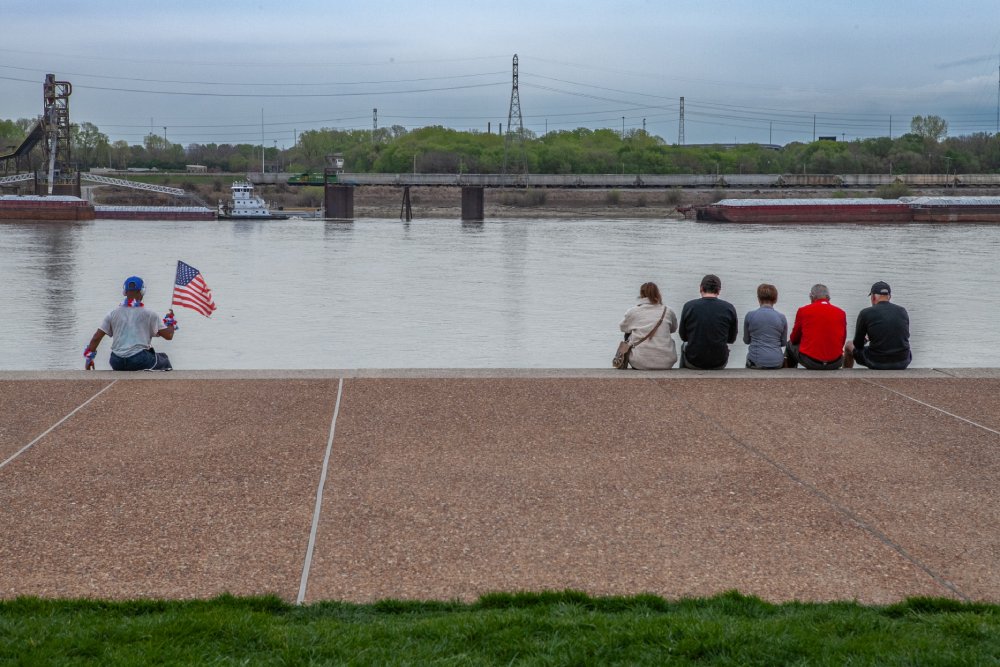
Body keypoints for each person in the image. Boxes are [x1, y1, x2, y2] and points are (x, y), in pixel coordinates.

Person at [84, 276, 176, 371]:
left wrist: (89, 359)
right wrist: (170, 321)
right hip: (139, 360)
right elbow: (168, 335)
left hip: (116, 361)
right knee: (164, 360)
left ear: (124, 292)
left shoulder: (112, 313)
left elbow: (96, 338)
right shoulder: (149, 314)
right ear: (142, 291)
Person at [844, 281, 911, 370]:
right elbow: (906, 336)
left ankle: (845, 374)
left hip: (877, 362)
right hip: (903, 361)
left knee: (849, 345)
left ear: (873, 297)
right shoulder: (902, 311)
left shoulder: (865, 313)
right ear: (889, 297)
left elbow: (857, 344)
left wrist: (866, 339)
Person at [678, 274, 738, 369]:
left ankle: (683, 376)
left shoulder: (689, 306)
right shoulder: (729, 308)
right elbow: (731, 339)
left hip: (694, 361)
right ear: (718, 290)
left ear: (701, 288)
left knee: (684, 345)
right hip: (719, 362)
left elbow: (683, 336)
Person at [785, 283, 846, 370]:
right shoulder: (841, 313)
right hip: (835, 362)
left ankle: (790, 373)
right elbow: (842, 341)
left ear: (811, 297)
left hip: (812, 362)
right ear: (828, 298)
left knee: (789, 345)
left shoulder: (803, 311)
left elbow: (794, 339)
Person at [618, 282, 679, 369]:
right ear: (657, 293)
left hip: (639, 362)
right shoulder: (668, 311)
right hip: (667, 362)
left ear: (641, 294)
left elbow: (623, 328)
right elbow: (673, 329)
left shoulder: (634, 311)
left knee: (628, 333)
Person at [743, 283, 787, 369]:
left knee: (749, 357)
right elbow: (783, 343)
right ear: (775, 299)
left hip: (756, 361)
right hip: (777, 362)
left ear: (758, 299)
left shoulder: (750, 315)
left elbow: (747, 341)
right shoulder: (782, 317)